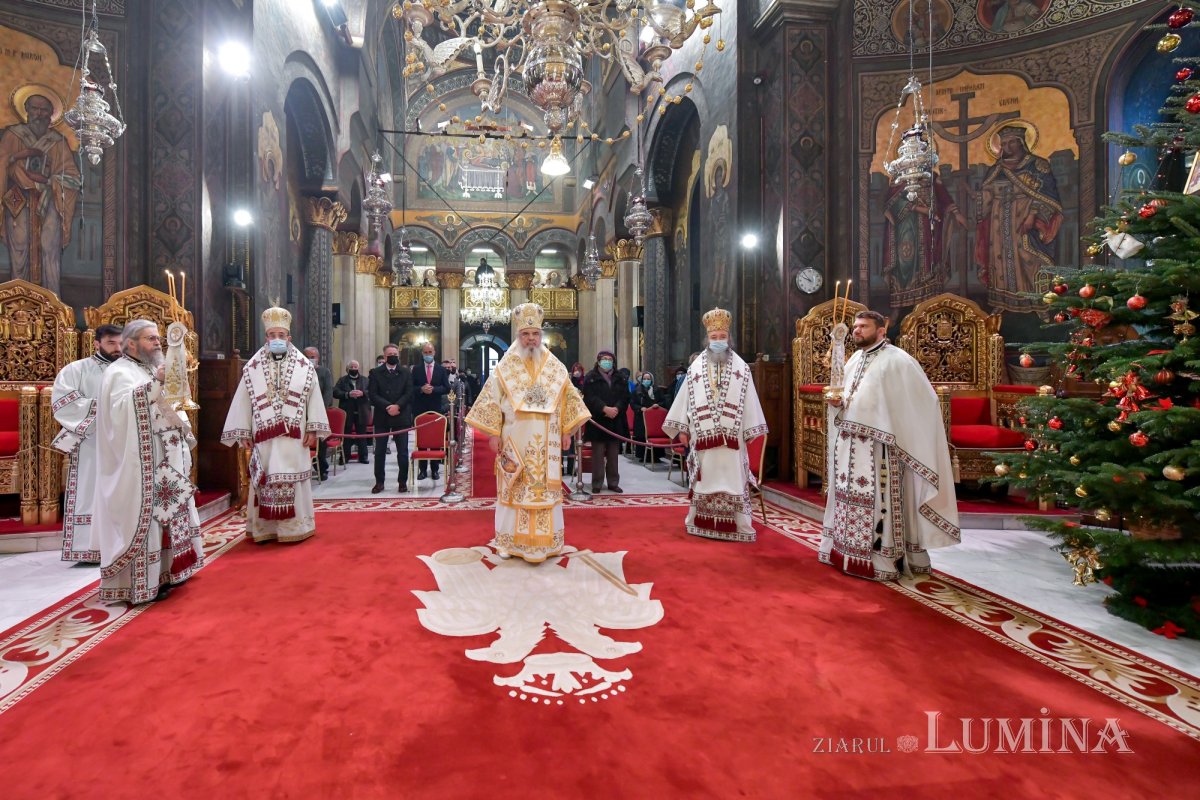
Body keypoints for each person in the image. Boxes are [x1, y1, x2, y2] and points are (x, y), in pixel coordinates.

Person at [820, 310, 960, 580]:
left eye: (863, 327)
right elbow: (846, 398)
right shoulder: (854, 360)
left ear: (881, 330)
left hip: (880, 450)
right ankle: (847, 551)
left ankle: (880, 558)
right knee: (850, 499)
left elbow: (924, 402)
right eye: (855, 326)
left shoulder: (899, 361)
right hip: (851, 447)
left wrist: (894, 429)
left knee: (878, 503)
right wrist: (838, 404)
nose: (857, 331)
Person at [464, 302, 589, 562]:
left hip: (549, 439)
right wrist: (493, 434)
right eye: (525, 334)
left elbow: (567, 398)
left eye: (535, 334)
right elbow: (490, 400)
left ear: (540, 335)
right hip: (514, 437)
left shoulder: (555, 367)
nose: (530, 339)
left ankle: (545, 543)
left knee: (544, 490)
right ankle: (509, 542)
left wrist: (567, 430)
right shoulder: (505, 367)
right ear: (518, 336)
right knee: (514, 487)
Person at [93, 320, 203, 603]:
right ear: (131, 343)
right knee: (149, 517)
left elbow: (168, 403)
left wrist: (182, 424)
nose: (157, 342)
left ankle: (169, 572)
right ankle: (143, 583)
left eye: (158, 338)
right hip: (140, 463)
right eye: (151, 338)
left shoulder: (151, 368)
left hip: (166, 459)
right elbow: (121, 411)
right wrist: (158, 383)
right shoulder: (119, 372)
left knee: (169, 514)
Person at [221, 307, 329, 543]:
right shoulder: (252, 367)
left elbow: (314, 398)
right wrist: (244, 432)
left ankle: (295, 528)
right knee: (265, 477)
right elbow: (243, 400)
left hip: (294, 435)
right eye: (273, 335)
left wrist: (312, 428)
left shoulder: (305, 366)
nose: (277, 340)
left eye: (282, 335)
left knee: (293, 476)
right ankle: (265, 528)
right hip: (264, 437)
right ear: (266, 338)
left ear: (289, 338)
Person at [664, 308, 768, 542]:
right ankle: (699, 521)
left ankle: (739, 525)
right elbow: (685, 400)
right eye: (714, 337)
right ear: (707, 339)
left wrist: (751, 429)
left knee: (733, 479)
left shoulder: (742, 368)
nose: (718, 341)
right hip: (703, 440)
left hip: (733, 441)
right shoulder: (695, 368)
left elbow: (750, 398)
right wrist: (683, 428)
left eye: (722, 337)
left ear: (729, 338)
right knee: (705, 479)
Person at [50, 323, 123, 563]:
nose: (117, 348)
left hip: (124, 441)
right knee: (90, 489)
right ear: (97, 343)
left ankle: (122, 545)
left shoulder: (130, 370)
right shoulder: (77, 369)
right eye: (111, 343)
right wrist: (104, 407)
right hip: (91, 442)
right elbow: (63, 402)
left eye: (121, 343)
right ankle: (87, 549)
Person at [974, 124, 1063, 312]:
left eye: (1010, 143)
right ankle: (1002, 302)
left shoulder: (1038, 166)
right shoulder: (996, 168)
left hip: (1024, 216)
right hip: (999, 219)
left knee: (1028, 257)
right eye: (1003, 143)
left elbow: (1048, 197)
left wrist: (1032, 216)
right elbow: (986, 193)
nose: (1005, 147)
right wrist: (982, 197)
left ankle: (1039, 303)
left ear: (1021, 142)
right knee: (999, 258)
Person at [0, 90, 82, 295]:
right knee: (19, 248)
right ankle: (17, 301)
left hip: (50, 201)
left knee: (49, 249)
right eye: (34, 109)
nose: (39, 113)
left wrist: (47, 180)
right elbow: (2, 163)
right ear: (26, 110)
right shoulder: (12, 135)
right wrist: (19, 160)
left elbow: (72, 177)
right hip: (18, 200)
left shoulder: (57, 141)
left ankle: (51, 304)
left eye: (44, 110)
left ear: (51, 114)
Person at [368, 342, 414, 493]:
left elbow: (409, 393)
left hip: (401, 416)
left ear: (398, 356)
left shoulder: (405, 372)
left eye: (395, 355)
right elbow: (373, 394)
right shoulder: (375, 372)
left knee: (402, 452)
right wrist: (388, 406)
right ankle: (379, 482)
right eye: (390, 355)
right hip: (383, 415)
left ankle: (402, 482)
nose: (393, 357)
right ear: (385, 356)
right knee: (380, 451)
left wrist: (397, 406)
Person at [582, 349, 629, 494]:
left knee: (614, 454)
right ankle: (597, 483)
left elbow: (625, 397)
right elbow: (589, 397)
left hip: (615, 420)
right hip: (598, 421)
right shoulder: (591, 377)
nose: (607, 361)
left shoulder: (620, 377)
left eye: (609, 359)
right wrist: (604, 408)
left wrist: (616, 408)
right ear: (598, 360)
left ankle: (613, 482)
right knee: (597, 454)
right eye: (604, 359)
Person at [412, 342, 451, 480]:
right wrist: (421, 389)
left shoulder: (441, 370)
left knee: (435, 439)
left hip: (436, 407)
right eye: (425, 352)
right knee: (422, 439)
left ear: (434, 353)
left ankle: (435, 469)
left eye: (430, 352)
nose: (428, 355)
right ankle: (422, 470)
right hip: (420, 408)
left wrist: (434, 389)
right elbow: (411, 388)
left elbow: (447, 388)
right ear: (422, 354)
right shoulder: (416, 369)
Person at [304, 346, 334, 480]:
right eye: (308, 357)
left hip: (319, 411)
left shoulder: (324, 372)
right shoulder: (299, 371)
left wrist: (321, 408)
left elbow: (328, 391)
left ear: (318, 358)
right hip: (302, 412)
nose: (310, 359)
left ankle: (322, 469)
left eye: (313, 357)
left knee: (320, 442)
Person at [333, 360, 370, 464]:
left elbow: (371, 392)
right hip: (347, 411)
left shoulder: (365, 380)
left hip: (361, 411)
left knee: (362, 435)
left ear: (358, 368)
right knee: (346, 435)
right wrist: (348, 394)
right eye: (352, 367)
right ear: (348, 368)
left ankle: (363, 456)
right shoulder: (342, 380)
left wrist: (362, 393)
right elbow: (335, 392)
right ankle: (345, 457)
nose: (354, 368)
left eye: (355, 366)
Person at [631, 371, 666, 462]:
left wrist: (658, 405)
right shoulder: (637, 390)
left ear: (652, 380)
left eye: (648, 379)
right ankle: (643, 456)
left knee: (655, 435)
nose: (646, 380)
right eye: (645, 379)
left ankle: (656, 456)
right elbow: (633, 403)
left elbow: (663, 401)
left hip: (654, 418)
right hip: (641, 417)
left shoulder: (657, 390)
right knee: (642, 436)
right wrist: (640, 408)